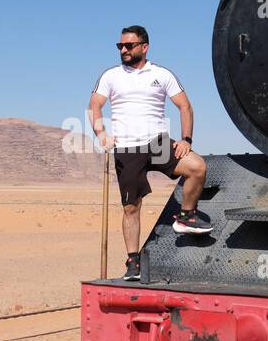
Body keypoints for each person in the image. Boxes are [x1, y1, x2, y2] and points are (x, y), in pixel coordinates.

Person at [89, 26, 211, 281]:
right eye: (120, 46)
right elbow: (94, 107)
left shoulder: (162, 74)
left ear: (144, 47)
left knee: (197, 167)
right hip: (128, 148)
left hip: (157, 144)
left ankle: (186, 216)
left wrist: (186, 139)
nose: (123, 50)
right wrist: (101, 134)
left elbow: (185, 106)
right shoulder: (111, 76)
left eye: (129, 46)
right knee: (131, 207)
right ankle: (133, 262)